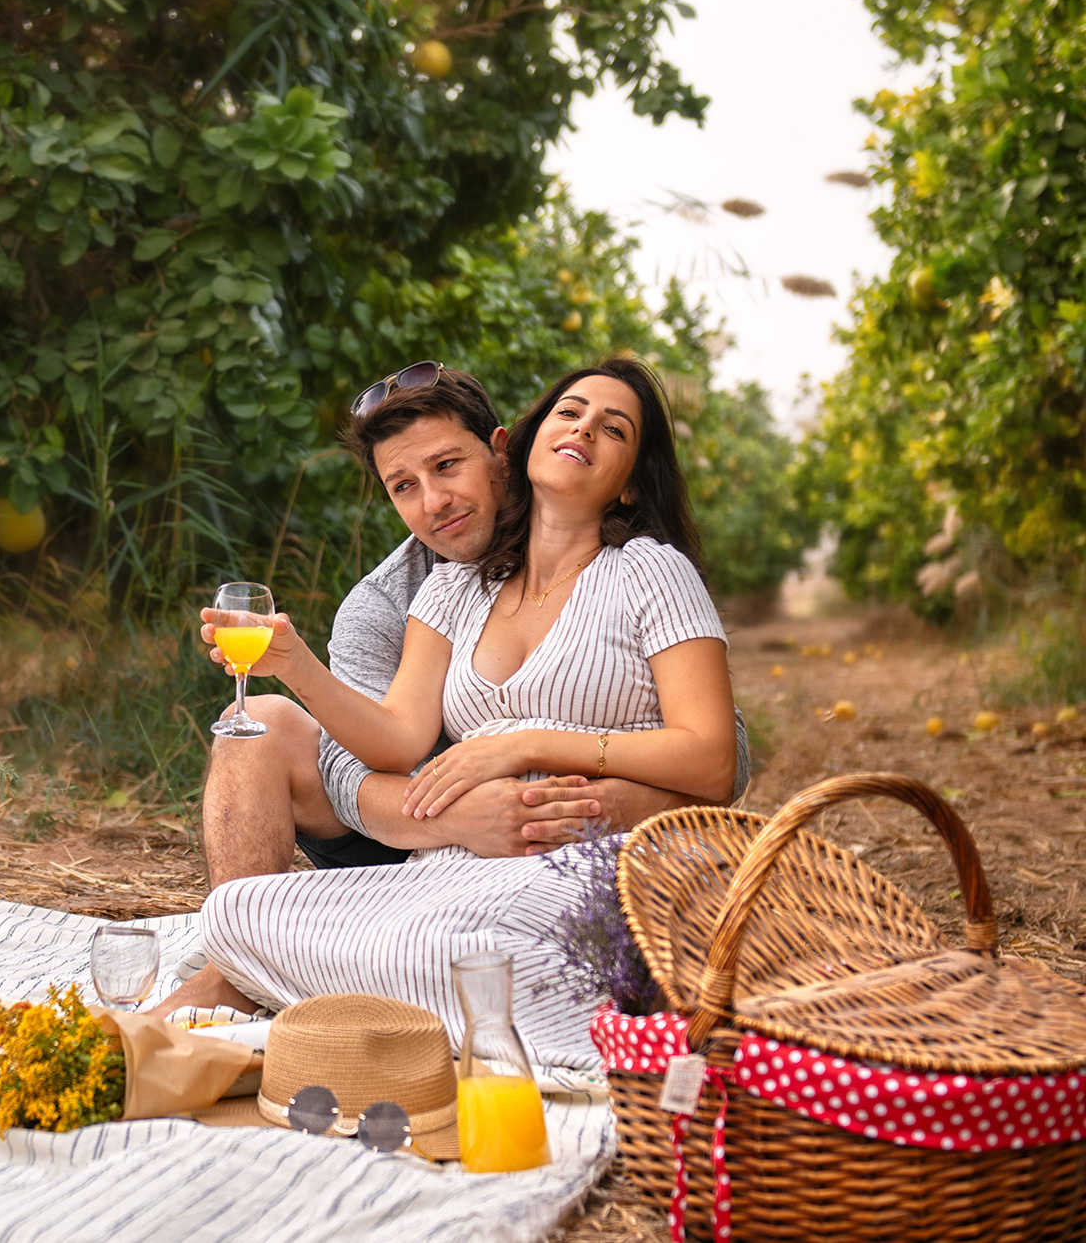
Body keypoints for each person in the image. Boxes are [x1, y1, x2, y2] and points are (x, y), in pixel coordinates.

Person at [173, 360, 740, 1054]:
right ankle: (303, 980)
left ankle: (353, 993)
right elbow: (386, 747)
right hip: (442, 855)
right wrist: (295, 664)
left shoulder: (652, 569)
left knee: (479, 956)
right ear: (534, 442)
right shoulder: (433, 593)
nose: (433, 500)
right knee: (235, 912)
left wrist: (531, 749)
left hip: (584, 853)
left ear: (503, 449)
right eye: (404, 486)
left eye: (447, 465)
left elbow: (718, 757)